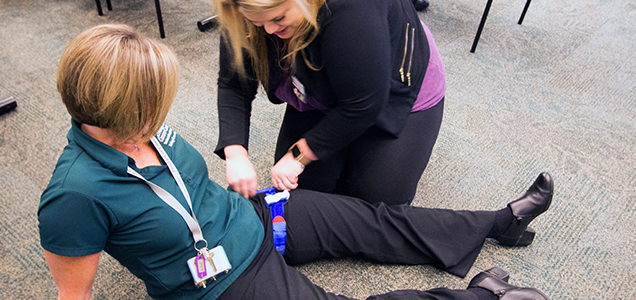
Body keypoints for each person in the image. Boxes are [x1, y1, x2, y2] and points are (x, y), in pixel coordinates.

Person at [38, 24, 553, 300]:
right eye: (153, 102)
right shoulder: (74, 196)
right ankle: (485, 298)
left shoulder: (145, 130)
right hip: (221, 282)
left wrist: (239, 162)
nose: (162, 111)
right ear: (123, 109)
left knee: (373, 221)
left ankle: (501, 223)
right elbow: (73, 294)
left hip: (257, 216)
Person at [213, 0, 448, 205]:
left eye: (278, 18)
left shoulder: (351, 10)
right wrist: (236, 154)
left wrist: (299, 154)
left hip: (389, 86)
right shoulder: (243, 9)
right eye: (257, 21)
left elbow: (363, 105)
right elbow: (234, 84)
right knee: (302, 189)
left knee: (377, 200)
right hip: (318, 85)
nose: (269, 29)